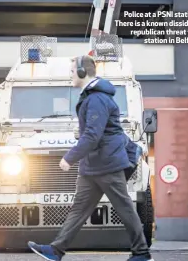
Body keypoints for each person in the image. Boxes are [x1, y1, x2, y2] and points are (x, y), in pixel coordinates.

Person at [28, 55, 154, 261]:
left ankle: (142, 253)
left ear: (81, 72)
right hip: (93, 166)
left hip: (108, 164)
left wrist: (69, 158)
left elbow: (93, 136)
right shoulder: (91, 96)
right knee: (79, 210)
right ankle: (56, 250)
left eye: (71, 72)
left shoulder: (97, 99)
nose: (70, 76)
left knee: (124, 208)